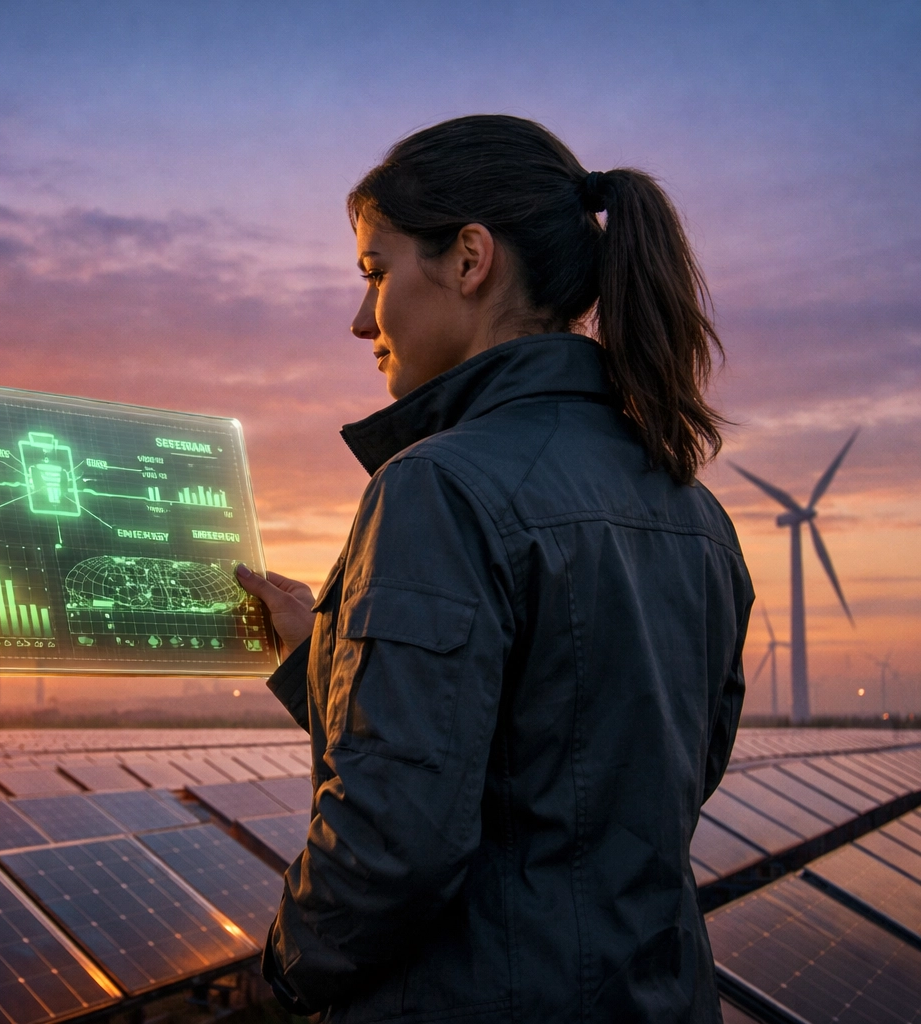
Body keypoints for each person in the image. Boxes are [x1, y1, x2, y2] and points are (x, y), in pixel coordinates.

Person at [235, 115, 753, 1022]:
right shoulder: (695, 513)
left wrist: (275, 982)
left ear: (471, 259)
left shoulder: (438, 488)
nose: (362, 320)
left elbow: (395, 840)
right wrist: (320, 653)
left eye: (375, 272)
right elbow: (588, 771)